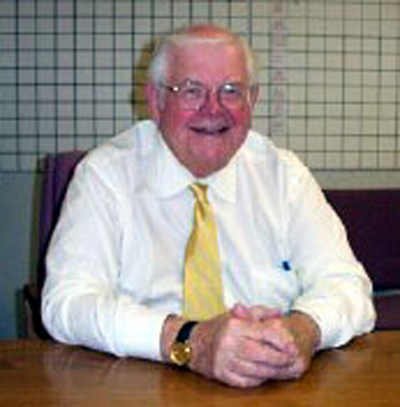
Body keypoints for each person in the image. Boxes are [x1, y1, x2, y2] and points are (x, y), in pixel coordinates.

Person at [42, 24, 375, 388]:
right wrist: (189, 341)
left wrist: (303, 329)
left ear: (253, 100)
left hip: (271, 388)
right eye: (191, 91)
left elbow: (347, 286)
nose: (212, 109)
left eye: (231, 91)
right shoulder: (105, 176)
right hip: (141, 385)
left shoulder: (284, 175)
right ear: (155, 100)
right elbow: (66, 304)